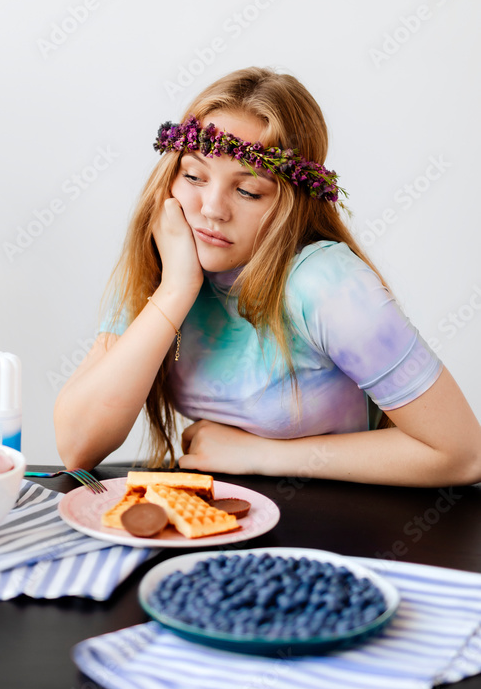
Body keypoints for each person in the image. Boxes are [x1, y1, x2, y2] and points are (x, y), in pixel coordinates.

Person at [54, 67, 481, 486]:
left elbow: (462, 455)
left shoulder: (326, 285)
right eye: (193, 176)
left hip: (342, 531)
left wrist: (262, 456)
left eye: (247, 191)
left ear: (291, 205)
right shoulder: (166, 261)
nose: (212, 209)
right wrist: (175, 289)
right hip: (225, 527)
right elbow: (78, 446)